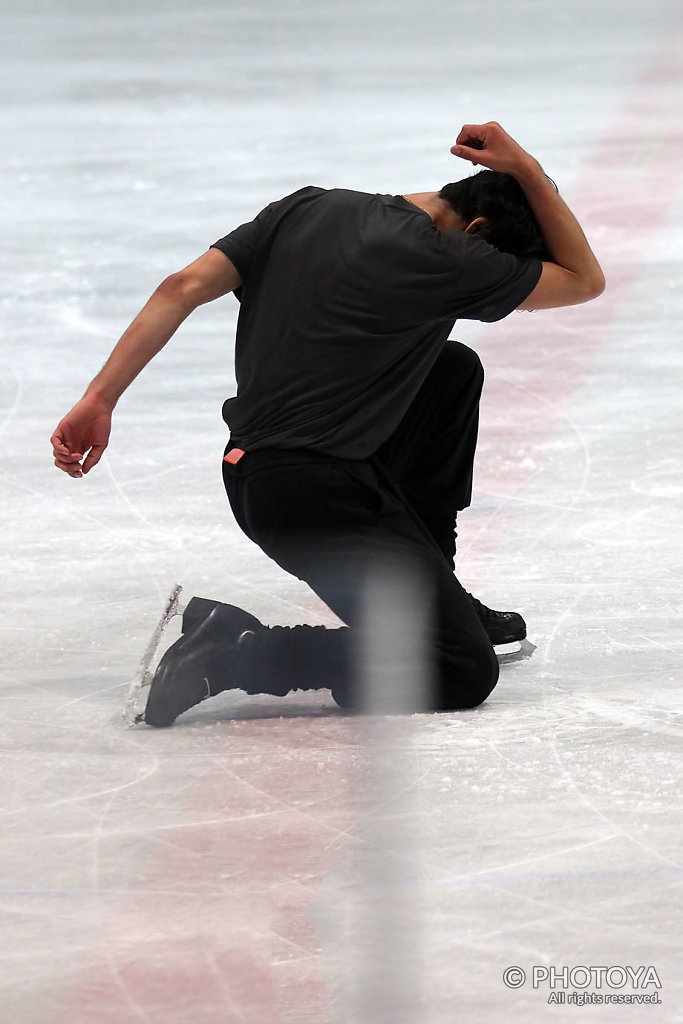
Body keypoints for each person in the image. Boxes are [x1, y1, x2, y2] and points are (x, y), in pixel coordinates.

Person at [51, 121, 604, 726]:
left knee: (448, 369)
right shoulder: (451, 259)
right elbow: (584, 280)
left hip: (259, 479)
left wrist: (99, 398)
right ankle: (241, 650)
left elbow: (183, 287)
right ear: (478, 233)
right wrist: (524, 167)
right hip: (319, 500)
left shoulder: (305, 207)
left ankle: (437, 590)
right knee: (458, 666)